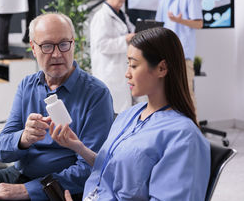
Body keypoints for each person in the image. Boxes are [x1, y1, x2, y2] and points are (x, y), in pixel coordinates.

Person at [0, 13, 114, 201]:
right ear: (33, 47)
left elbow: (89, 168)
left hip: (58, 188)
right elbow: (1, 149)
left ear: (74, 44)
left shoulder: (96, 94)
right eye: (47, 46)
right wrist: (23, 138)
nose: (57, 54)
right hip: (18, 174)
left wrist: (27, 190)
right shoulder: (28, 85)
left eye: (64, 44)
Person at [51, 27, 211, 200]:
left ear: (162, 68)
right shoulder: (129, 115)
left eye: (134, 65)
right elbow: (113, 168)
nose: (127, 74)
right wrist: (79, 147)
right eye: (128, 65)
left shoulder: (183, 136)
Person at [155, 0, 203, 110]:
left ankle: (193, 133)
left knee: (186, 97)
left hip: (182, 56)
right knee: (166, 99)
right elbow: (159, 25)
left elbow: (199, 23)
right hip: (163, 57)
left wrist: (179, 20)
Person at [90, 0, 135, 113]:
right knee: (112, 112)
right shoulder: (102, 16)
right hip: (109, 72)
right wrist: (125, 39)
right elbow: (102, 45)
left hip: (121, 71)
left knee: (123, 110)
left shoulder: (122, 15)